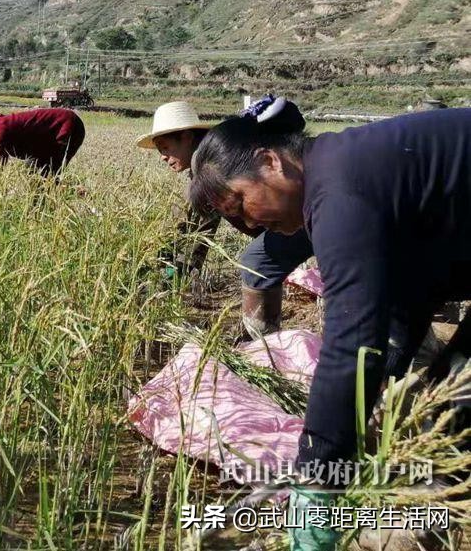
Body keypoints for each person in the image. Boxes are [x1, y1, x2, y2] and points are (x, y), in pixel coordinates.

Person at [188, 98, 471, 544]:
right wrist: (386, 380)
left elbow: (351, 344)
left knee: (455, 412)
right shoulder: (343, 168)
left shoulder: (338, 192)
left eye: (241, 203)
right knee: (444, 398)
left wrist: (315, 477)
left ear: (270, 161)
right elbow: (410, 288)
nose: (248, 226)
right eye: (234, 220)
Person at [136, 100, 313, 337]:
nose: (163, 157)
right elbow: (191, 232)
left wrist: (166, 278)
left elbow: (195, 235)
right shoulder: (213, 159)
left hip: (298, 215)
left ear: (187, 137)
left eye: (165, 147)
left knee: (257, 262)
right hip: (300, 213)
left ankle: (264, 345)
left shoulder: (213, 169)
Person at [0, 103, 85, 177]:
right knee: (33, 173)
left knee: (44, 177)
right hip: (45, 142)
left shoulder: (2, 128)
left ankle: (79, 196)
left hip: (66, 126)